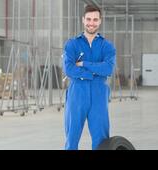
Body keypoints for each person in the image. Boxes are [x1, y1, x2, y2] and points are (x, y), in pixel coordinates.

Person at [62, 5, 116, 150]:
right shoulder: (72, 44)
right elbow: (69, 69)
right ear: (83, 20)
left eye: (95, 19)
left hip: (99, 93)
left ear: (100, 21)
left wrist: (84, 64)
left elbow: (108, 69)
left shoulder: (107, 46)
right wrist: (93, 73)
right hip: (77, 93)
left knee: (101, 140)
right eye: (88, 19)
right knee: (71, 138)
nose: (91, 23)